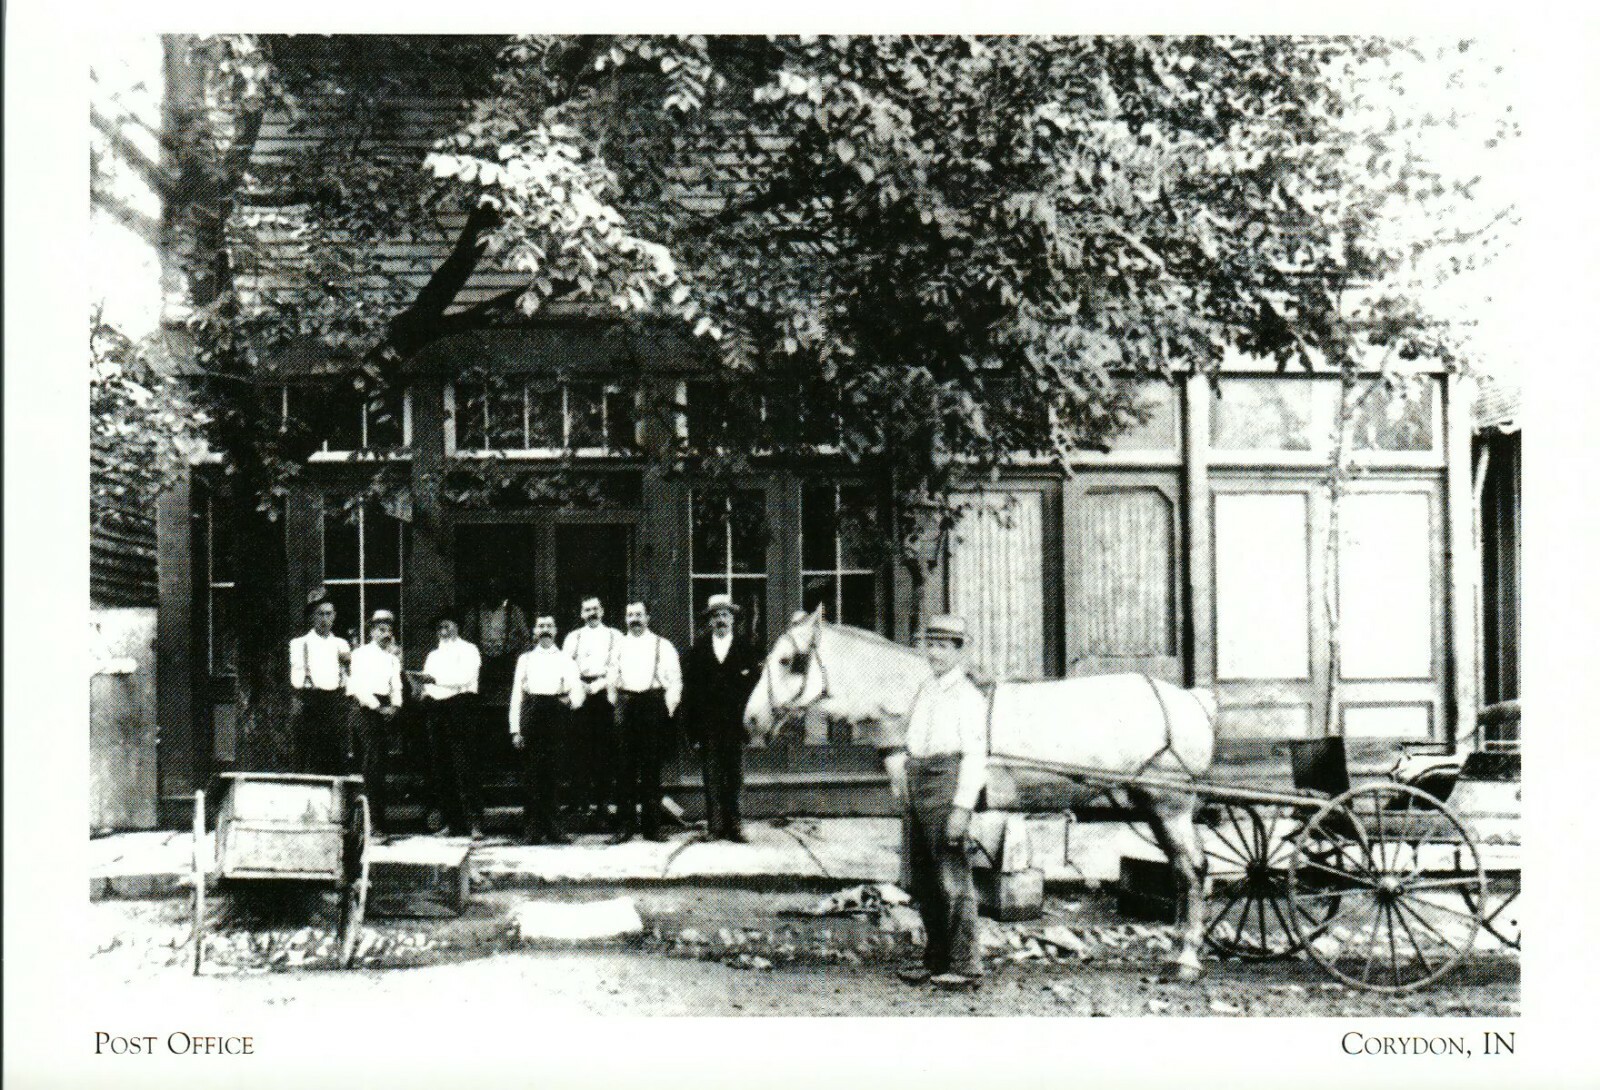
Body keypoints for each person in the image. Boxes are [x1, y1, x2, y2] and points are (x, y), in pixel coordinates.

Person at [888, 614, 987, 991]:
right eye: (930, 645)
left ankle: (966, 965)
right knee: (926, 879)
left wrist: (962, 808)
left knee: (953, 877)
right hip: (918, 781)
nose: (934, 653)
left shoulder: (968, 697)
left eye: (943, 647)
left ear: (960, 651)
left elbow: (976, 756)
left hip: (947, 783)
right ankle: (936, 959)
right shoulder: (925, 690)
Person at [681, 593, 760, 842]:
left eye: (725, 615)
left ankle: (735, 826)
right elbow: (690, 694)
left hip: (737, 725)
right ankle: (715, 827)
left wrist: (751, 725)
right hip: (708, 726)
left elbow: (755, 691)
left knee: (735, 776)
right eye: (716, 616)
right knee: (712, 776)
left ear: (733, 618)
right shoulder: (698, 651)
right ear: (709, 621)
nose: (721, 620)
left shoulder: (746, 648)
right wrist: (692, 732)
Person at [606, 601, 682, 843]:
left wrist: (667, 708)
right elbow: (611, 678)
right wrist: (618, 704)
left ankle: (652, 828)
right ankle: (625, 827)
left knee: (651, 769)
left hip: (652, 706)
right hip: (627, 706)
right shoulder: (618, 646)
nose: (634, 619)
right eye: (630, 615)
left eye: (639, 614)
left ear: (648, 617)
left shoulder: (663, 645)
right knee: (624, 769)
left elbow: (675, 681)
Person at [510, 616, 586, 845]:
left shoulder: (565, 659)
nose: (544, 630)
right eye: (540, 626)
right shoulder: (525, 659)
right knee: (531, 775)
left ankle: (554, 829)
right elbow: (516, 695)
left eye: (549, 626)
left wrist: (570, 702)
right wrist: (515, 729)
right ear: (534, 631)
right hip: (531, 714)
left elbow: (578, 690)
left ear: (556, 630)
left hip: (555, 716)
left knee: (553, 774)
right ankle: (532, 829)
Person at [413, 610, 483, 838]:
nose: (443, 632)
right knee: (442, 768)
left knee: (465, 765)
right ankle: (453, 824)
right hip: (438, 711)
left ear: (457, 627)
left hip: (461, 708)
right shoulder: (433, 655)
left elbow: (463, 678)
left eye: (447, 626)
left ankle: (474, 824)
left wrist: (434, 681)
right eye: (440, 628)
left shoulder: (469, 650)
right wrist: (424, 690)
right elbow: (427, 682)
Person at [563, 596, 622, 831]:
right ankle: (579, 802)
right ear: (581, 613)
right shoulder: (573, 637)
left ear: (603, 610)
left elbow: (616, 667)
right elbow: (566, 665)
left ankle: (602, 805)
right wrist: (580, 687)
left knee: (604, 751)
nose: (592, 613)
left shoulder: (615, 636)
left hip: (604, 696)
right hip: (579, 696)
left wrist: (596, 686)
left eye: (595, 609)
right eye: (587, 610)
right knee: (579, 749)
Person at [345, 608, 403, 839]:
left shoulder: (391, 658)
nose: (386, 634)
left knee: (379, 766)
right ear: (371, 631)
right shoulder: (360, 655)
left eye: (389, 630)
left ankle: (379, 822)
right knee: (371, 766)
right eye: (381, 629)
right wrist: (378, 708)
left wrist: (395, 706)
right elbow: (359, 687)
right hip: (365, 709)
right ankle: (372, 825)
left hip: (383, 709)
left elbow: (396, 684)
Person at [289, 597, 352, 774]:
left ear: (334, 616)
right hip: (310, 704)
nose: (325, 619)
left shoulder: (341, 644)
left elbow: (350, 676)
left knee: (337, 755)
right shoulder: (299, 644)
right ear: (312, 617)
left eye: (328, 614)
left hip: (335, 703)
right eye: (320, 614)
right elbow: (295, 678)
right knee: (308, 756)